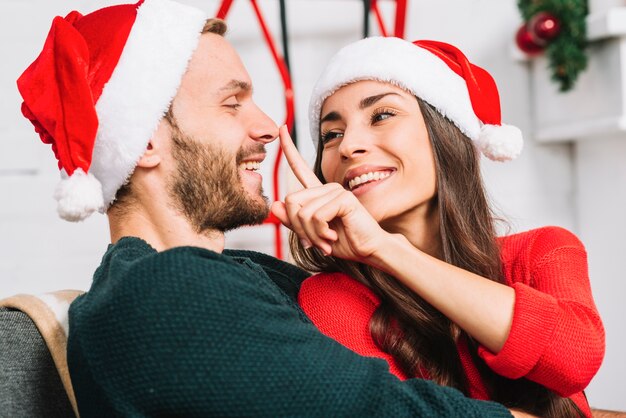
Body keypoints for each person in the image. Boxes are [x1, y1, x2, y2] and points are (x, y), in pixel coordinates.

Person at [16, 1, 531, 417]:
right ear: (145, 141)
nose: (268, 127)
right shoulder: (162, 291)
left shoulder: (248, 275)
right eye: (233, 103)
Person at [271, 37, 605, 417]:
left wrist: (387, 249)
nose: (348, 146)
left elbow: (574, 359)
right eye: (332, 135)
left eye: (381, 115)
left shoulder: (542, 251)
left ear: (443, 134)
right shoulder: (331, 298)